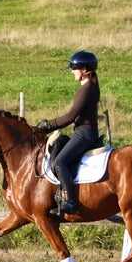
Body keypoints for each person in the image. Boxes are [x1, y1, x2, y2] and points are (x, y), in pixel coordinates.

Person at [37, 50, 101, 216]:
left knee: (60, 162)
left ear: (85, 70)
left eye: (74, 69)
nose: (72, 71)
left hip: (84, 133)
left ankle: (70, 203)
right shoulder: (90, 85)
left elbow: (71, 117)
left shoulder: (86, 89)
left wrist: (47, 125)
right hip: (84, 131)